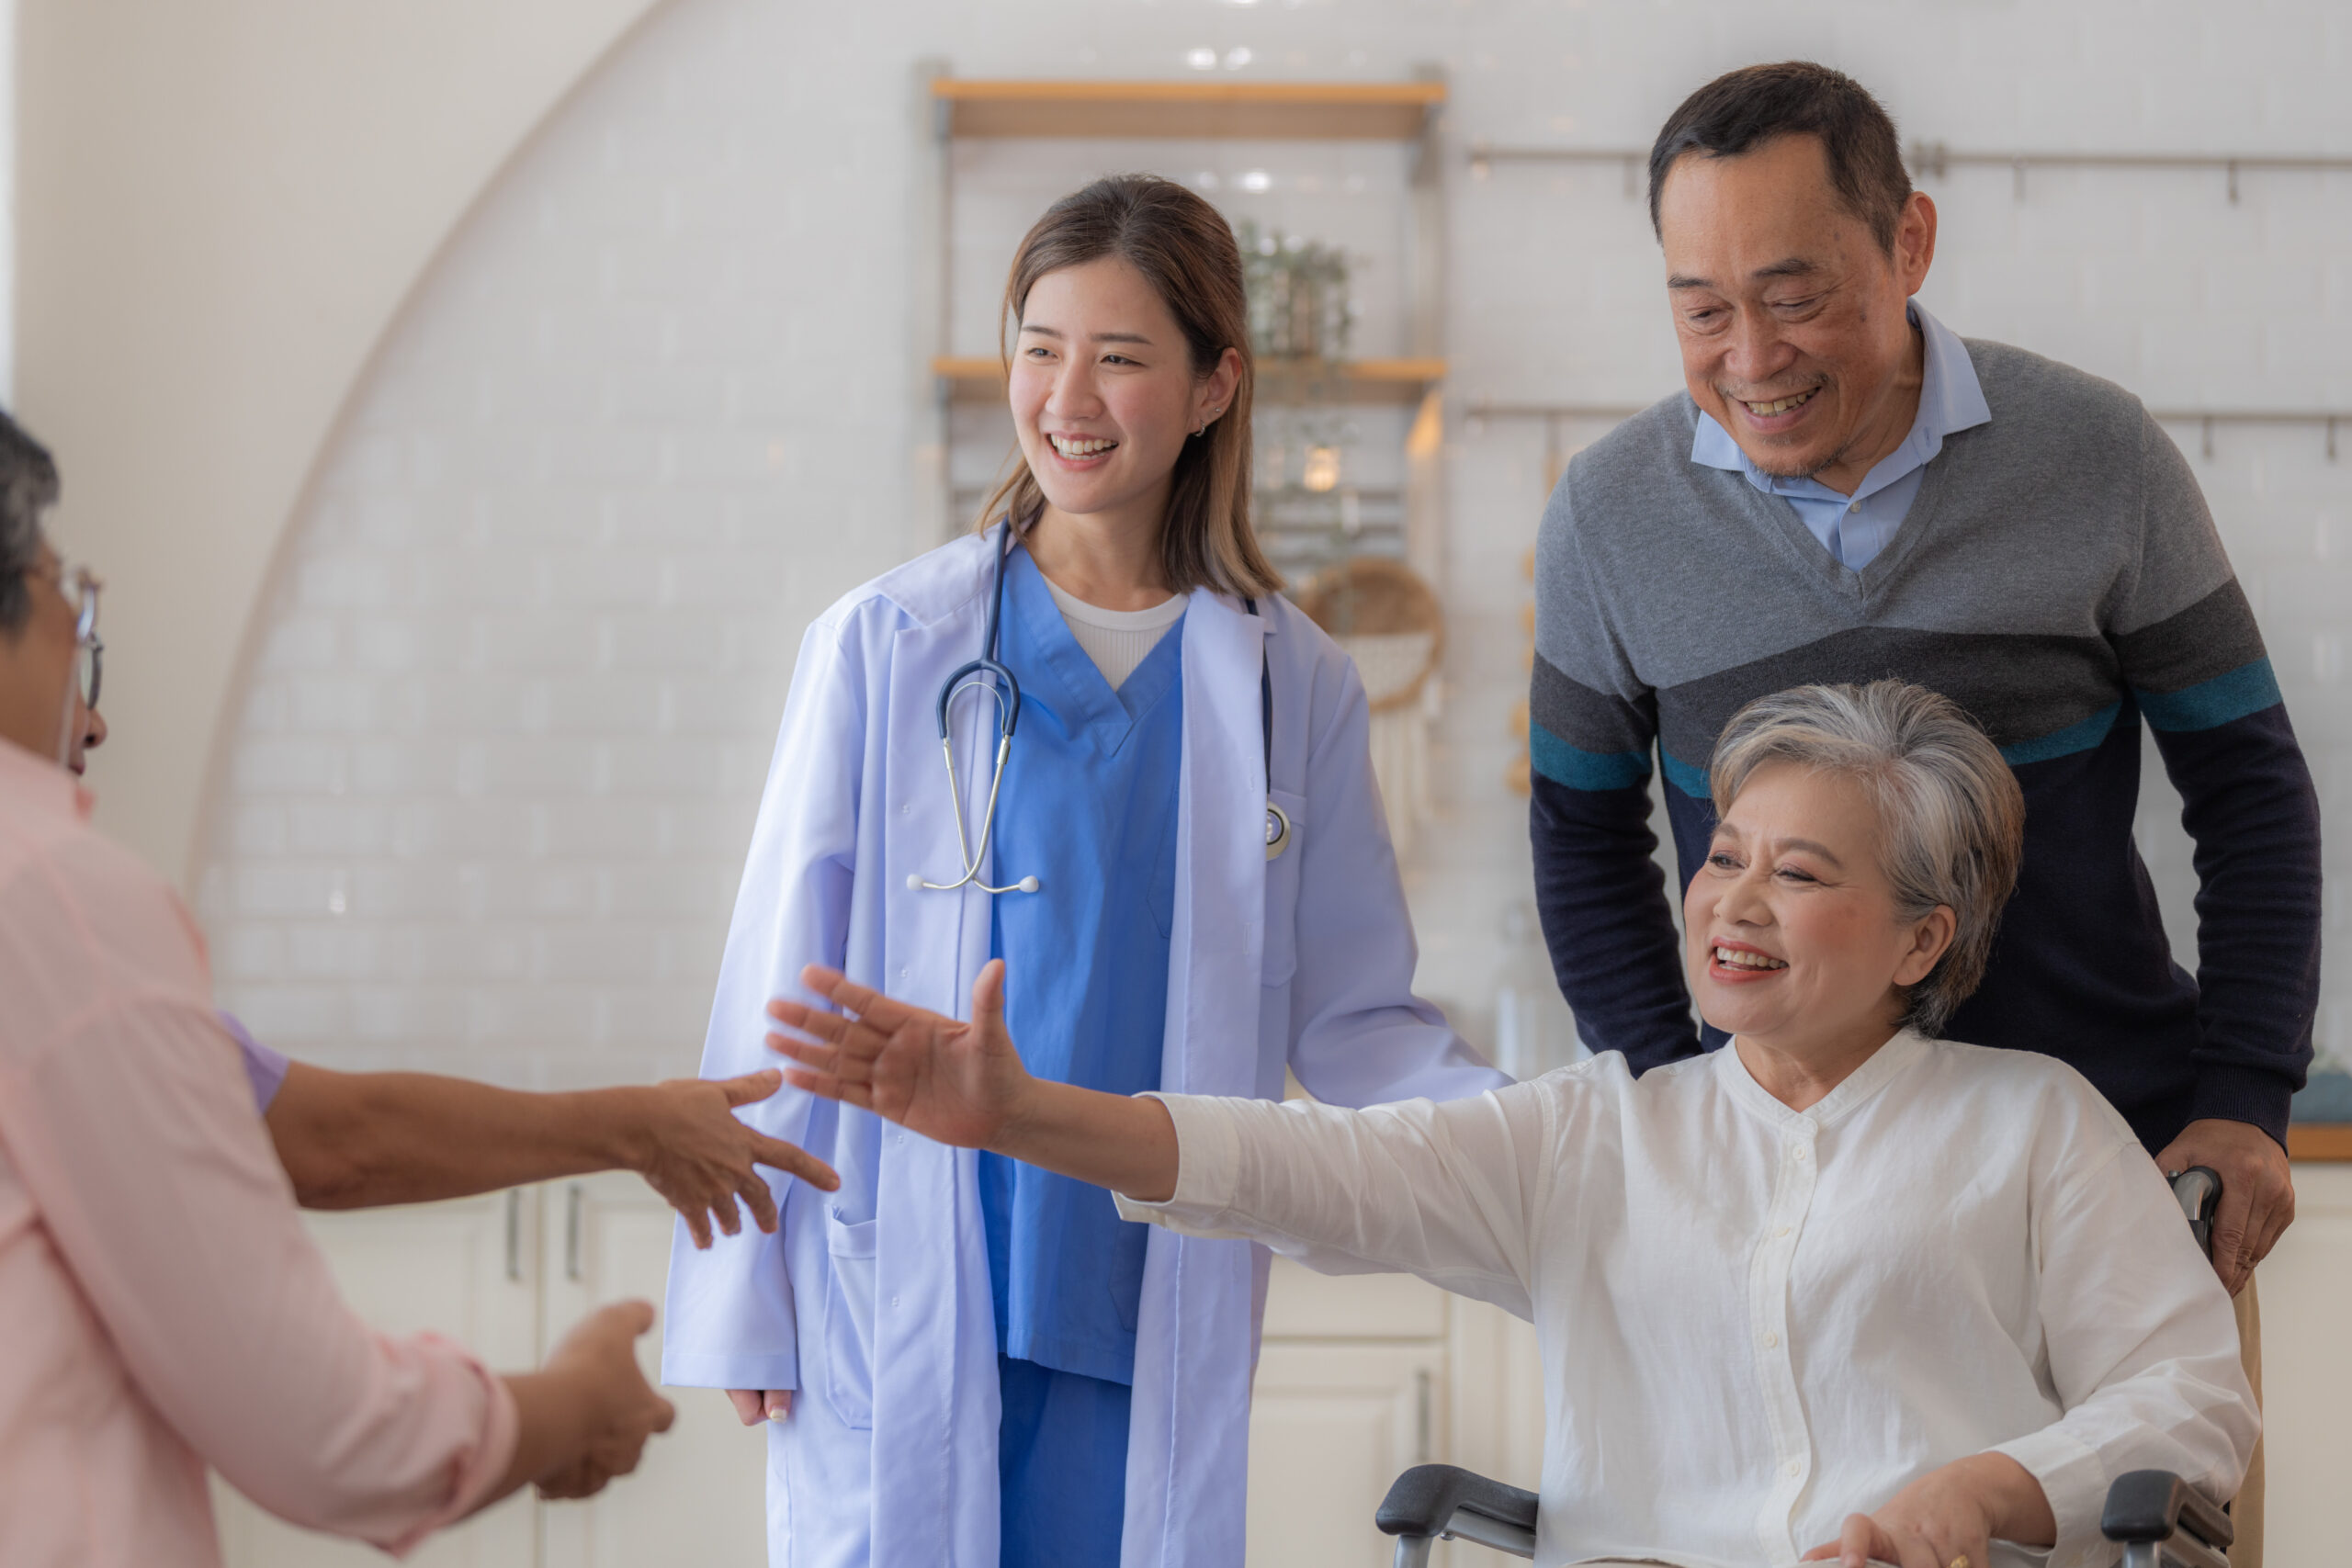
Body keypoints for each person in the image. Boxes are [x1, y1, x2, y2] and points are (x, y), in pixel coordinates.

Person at [770, 681, 2259, 1568]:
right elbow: (1314, 1166)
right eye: (1724, 856)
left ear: (1922, 938)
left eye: (1799, 874)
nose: (1734, 902)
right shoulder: (1594, 1137)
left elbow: (2193, 1395)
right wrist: (1026, 1113)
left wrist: (1990, 1485)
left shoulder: (2033, 1124)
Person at [661, 173, 1508, 1568]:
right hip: (906, 1262)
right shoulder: (886, 643)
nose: (1068, 397)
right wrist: (738, 1286)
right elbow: (779, 979)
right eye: (1040, 348)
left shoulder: (1295, 683)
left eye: (1119, 357)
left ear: (1215, 384)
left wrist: (1545, 1147)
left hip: (1140, 1277)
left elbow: (1358, 1021)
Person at [1523, 64, 2316, 1551]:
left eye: (1793, 295)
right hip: (1796, 1228)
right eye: (1701, 308)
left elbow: (2252, 792)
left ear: (1910, 244)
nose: (1750, 356)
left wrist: (2245, 1096)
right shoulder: (1608, 514)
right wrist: (1674, 1111)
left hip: (2125, 1196)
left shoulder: (2099, 456)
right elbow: (1578, 831)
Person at [0, 417, 680, 1565]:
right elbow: (322, 1420)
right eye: (74, 604)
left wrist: (633, 1126)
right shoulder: (54, 900)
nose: (96, 714)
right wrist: (570, 1402)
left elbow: (311, 1127)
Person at [40, 455, 835, 1249]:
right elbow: (334, 1145)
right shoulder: (60, 920)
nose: (96, 724)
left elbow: (326, 1135)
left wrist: (641, 1125)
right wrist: (641, 1129)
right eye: (69, 648)